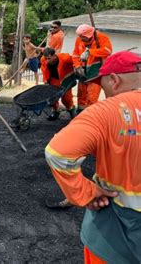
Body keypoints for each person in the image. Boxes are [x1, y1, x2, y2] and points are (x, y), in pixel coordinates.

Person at [45, 51, 141, 263]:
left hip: (114, 234)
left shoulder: (105, 111)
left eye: (102, 84)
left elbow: (57, 153)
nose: (103, 91)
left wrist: (88, 192)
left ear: (114, 80)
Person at [72, 24, 112, 113]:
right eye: (80, 37)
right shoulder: (79, 39)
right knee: (81, 95)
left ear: (89, 35)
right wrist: (77, 66)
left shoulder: (101, 38)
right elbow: (75, 54)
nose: (81, 39)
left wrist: (90, 52)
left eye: (83, 37)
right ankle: (80, 114)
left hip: (96, 72)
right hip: (82, 71)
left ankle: (91, 115)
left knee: (92, 97)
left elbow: (108, 51)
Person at [40, 48, 77, 120]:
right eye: (46, 58)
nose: (47, 60)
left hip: (65, 79)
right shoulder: (43, 59)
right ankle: (55, 112)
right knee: (53, 97)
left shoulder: (65, 57)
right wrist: (45, 80)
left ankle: (72, 111)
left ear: (54, 55)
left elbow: (75, 60)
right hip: (53, 80)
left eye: (49, 58)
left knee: (67, 98)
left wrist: (78, 67)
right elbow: (43, 69)